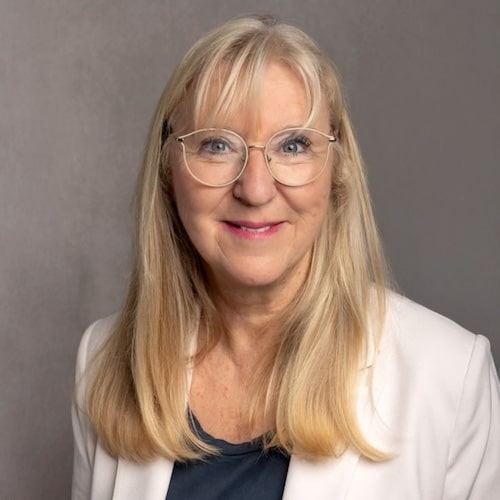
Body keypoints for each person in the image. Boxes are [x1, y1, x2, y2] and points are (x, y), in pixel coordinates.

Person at [71, 15, 500, 500]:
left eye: (293, 145)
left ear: (337, 168)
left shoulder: (450, 376)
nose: (255, 189)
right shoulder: (103, 361)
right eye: (217, 145)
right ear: (168, 168)